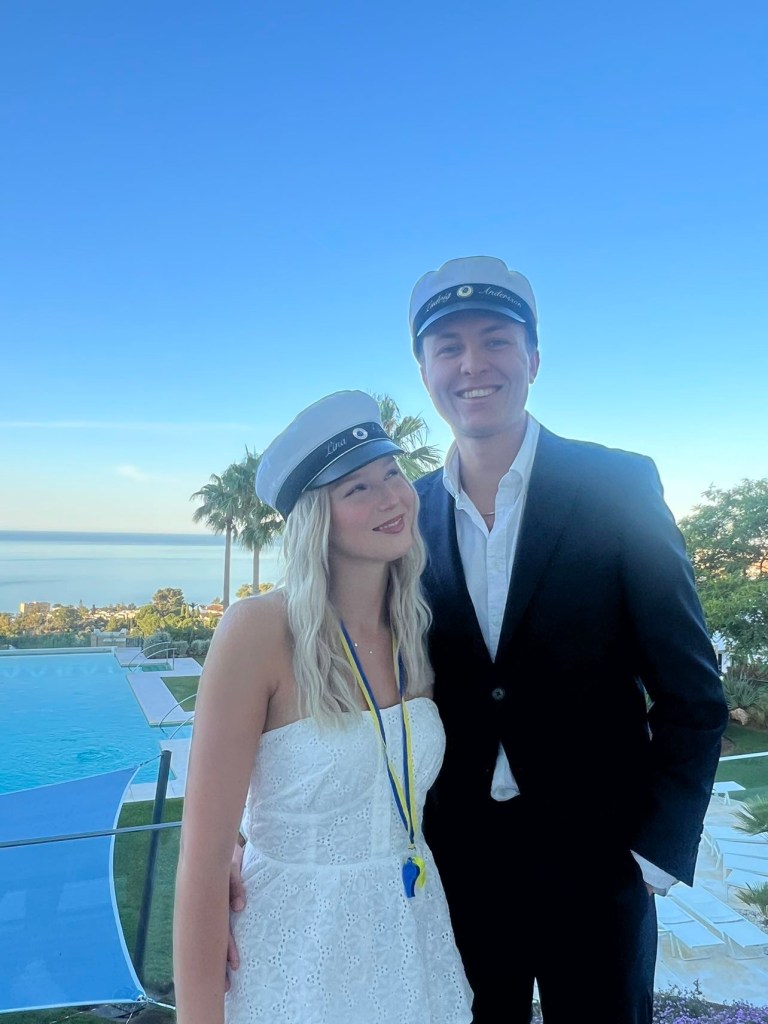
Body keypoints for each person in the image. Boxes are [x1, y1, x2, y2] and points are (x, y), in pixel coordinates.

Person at [406, 256, 729, 1023]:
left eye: (496, 340)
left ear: (534, 359)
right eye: (449, 346)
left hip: (600, 864)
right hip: (459, 868)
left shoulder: (617, 486)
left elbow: (691, 690)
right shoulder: (406, 515)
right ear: (424, 371)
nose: (473, 364)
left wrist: (654, 852)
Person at [172, 389, 473, 1024]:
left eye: (392, 473)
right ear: (316, 518)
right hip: (293, 952)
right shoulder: (258, 631)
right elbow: (202, 863)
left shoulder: (417, 628)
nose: (391, 497)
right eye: (357, 488)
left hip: (411, 941)